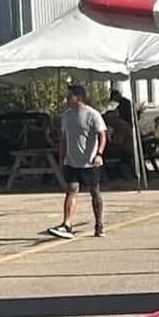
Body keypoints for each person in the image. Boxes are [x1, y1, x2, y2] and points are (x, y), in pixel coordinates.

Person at [48, 83, 107, 238]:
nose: (67, 99)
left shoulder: (92, 114)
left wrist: (99, 154)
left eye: (70, 96)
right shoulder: (66, 116)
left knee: (95, 192)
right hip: (72, 161)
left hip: (89, 162)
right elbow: (64, 139)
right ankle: (67, 224)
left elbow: (102, 135)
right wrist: (62, 157)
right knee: (72, 190)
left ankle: (99, 223)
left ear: (78, 97)